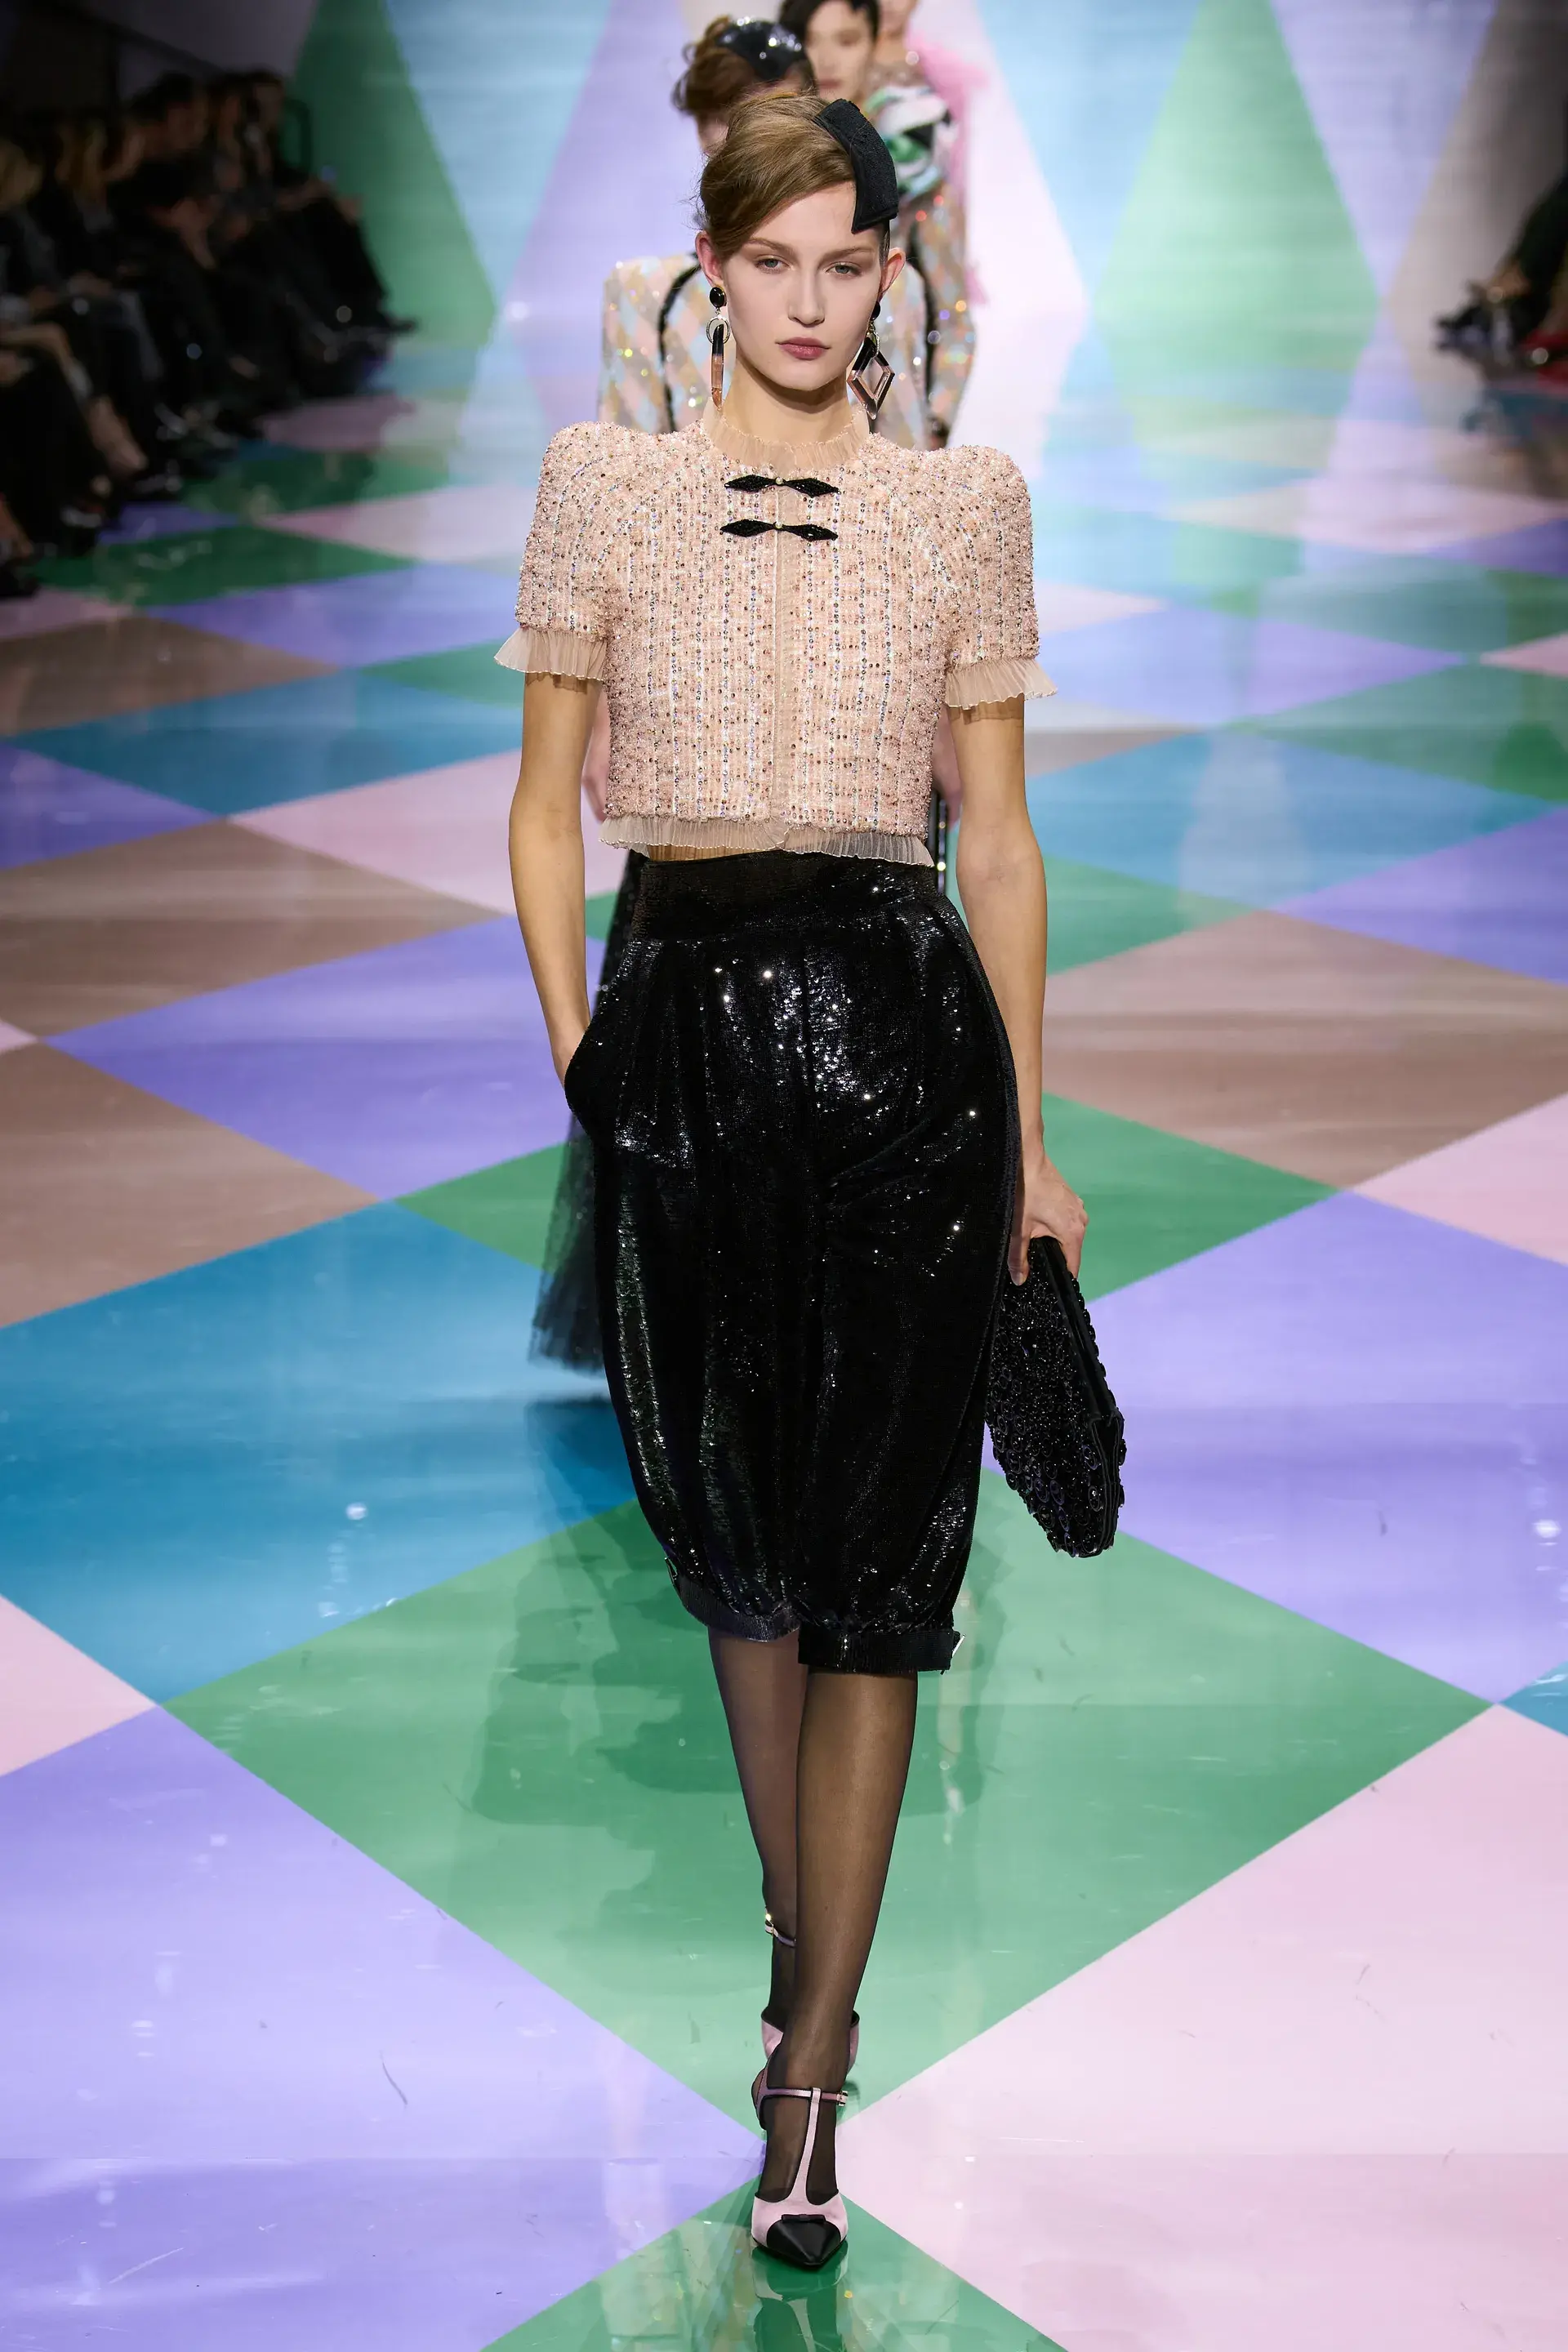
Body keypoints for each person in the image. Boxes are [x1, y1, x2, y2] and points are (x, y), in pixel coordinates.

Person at [504, 92, 1084, 2270]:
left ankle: (812, 2072)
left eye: (850, 262)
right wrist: (581, 1050)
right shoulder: (605, 484)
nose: (813, 301)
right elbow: (541, 804)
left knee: (880, 1570)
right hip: (683, 1039)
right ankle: (800, 1946)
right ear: (709, 268)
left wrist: (1032, 1137)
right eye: (774, 262)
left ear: (892, 275)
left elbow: (997, 844)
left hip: (906, 1048)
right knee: (737, 1556)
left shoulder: (961, 505)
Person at [532, 11, 951, 1374]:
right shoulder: (645, 296)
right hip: (689, 655)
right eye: (725, 124)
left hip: (855, 655)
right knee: (684, 990)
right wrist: (605, 704)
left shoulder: (883, 295)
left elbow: (911, 450)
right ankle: (678, 1294)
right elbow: (620, 472)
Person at [779, 0, 973, 443]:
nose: (827, 60)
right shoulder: (765, 161)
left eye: (846, 40)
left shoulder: (915, 157)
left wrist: (935, 426)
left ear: (874, 42)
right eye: (810, 41)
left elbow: (955, 321)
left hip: (890, 430)